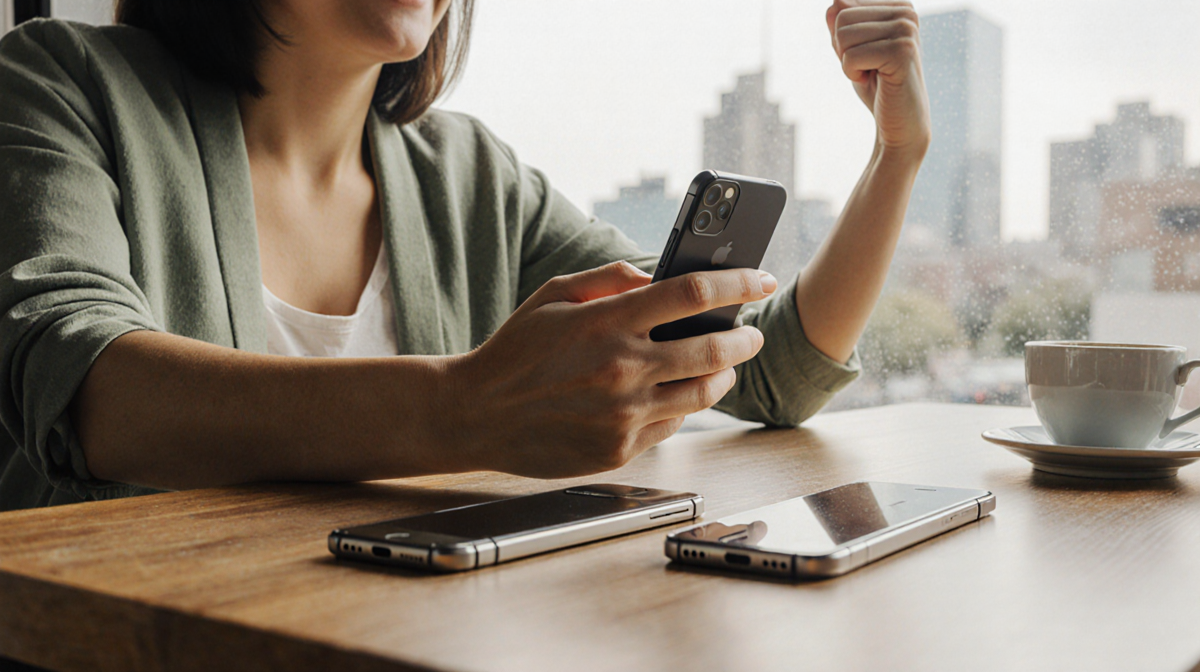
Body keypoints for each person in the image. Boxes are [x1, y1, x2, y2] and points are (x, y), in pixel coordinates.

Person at [0, 0, 930, 511]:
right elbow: (77, 386)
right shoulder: (60, 81)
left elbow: (766, 372)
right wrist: (467, 410)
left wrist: (895, 156)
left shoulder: (470, 174)